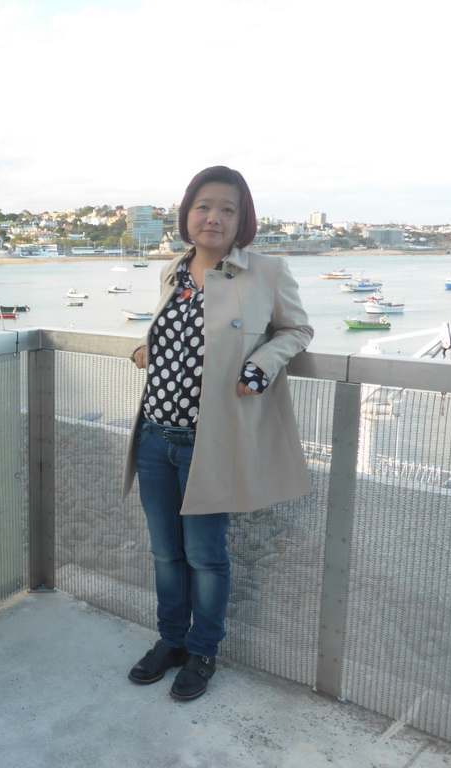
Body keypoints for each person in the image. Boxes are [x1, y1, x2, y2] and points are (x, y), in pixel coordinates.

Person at [121, 166, 313, 701]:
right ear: (187, 213)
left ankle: (203, 650)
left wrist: (262, 365)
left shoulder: (266, 272)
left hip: (212, 442)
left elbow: (297, 329)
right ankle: (171, 641)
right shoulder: (173, 272)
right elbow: (173, 329)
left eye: (228, 209)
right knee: (165, 553)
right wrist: (143, 347)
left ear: (242, 219)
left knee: (206, 554)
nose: (214, 217)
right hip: (156, 437)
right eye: (205, 205)